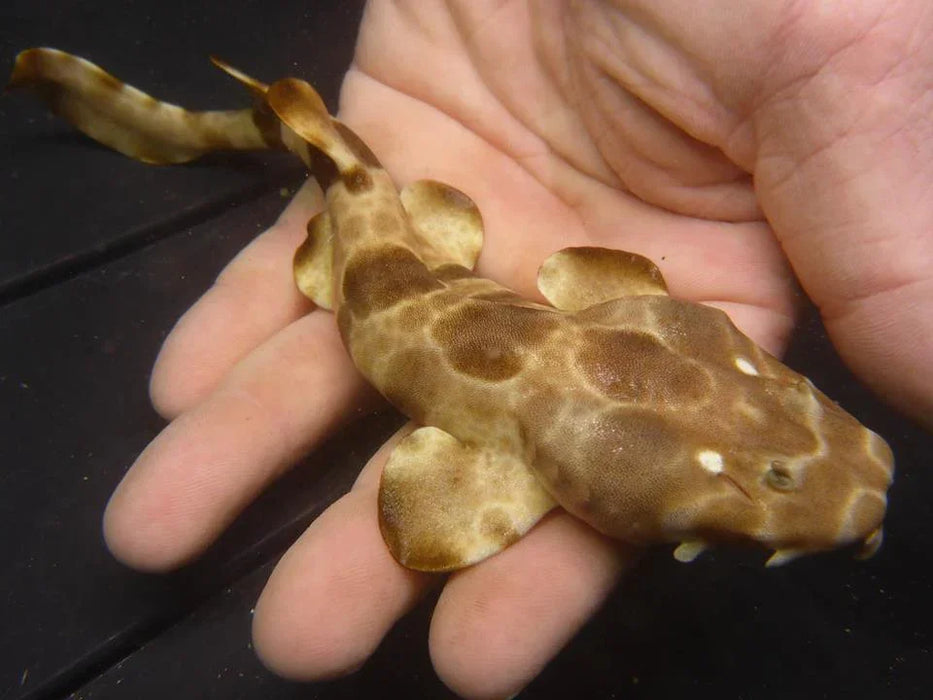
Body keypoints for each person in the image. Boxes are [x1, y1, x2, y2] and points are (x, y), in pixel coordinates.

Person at [101, 2, 933, 698]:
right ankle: (162, 120)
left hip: (442, 271)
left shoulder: (624, 322)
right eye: (776, 468)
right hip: (399, 277)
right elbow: (428, 517)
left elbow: (586, 279)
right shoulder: (524, 447)